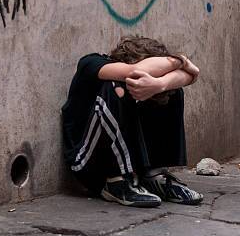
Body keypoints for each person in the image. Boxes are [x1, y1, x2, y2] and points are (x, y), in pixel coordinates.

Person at [61, 36, 203, 208]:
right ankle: (117, 181)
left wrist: (160, 84)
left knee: (172, 90)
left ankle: (153, 176)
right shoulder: (91, 63)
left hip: (134, 163)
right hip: (88, 162)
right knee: (118, 87)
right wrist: (180, 60)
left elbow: (191, 76)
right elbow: (134, 71)